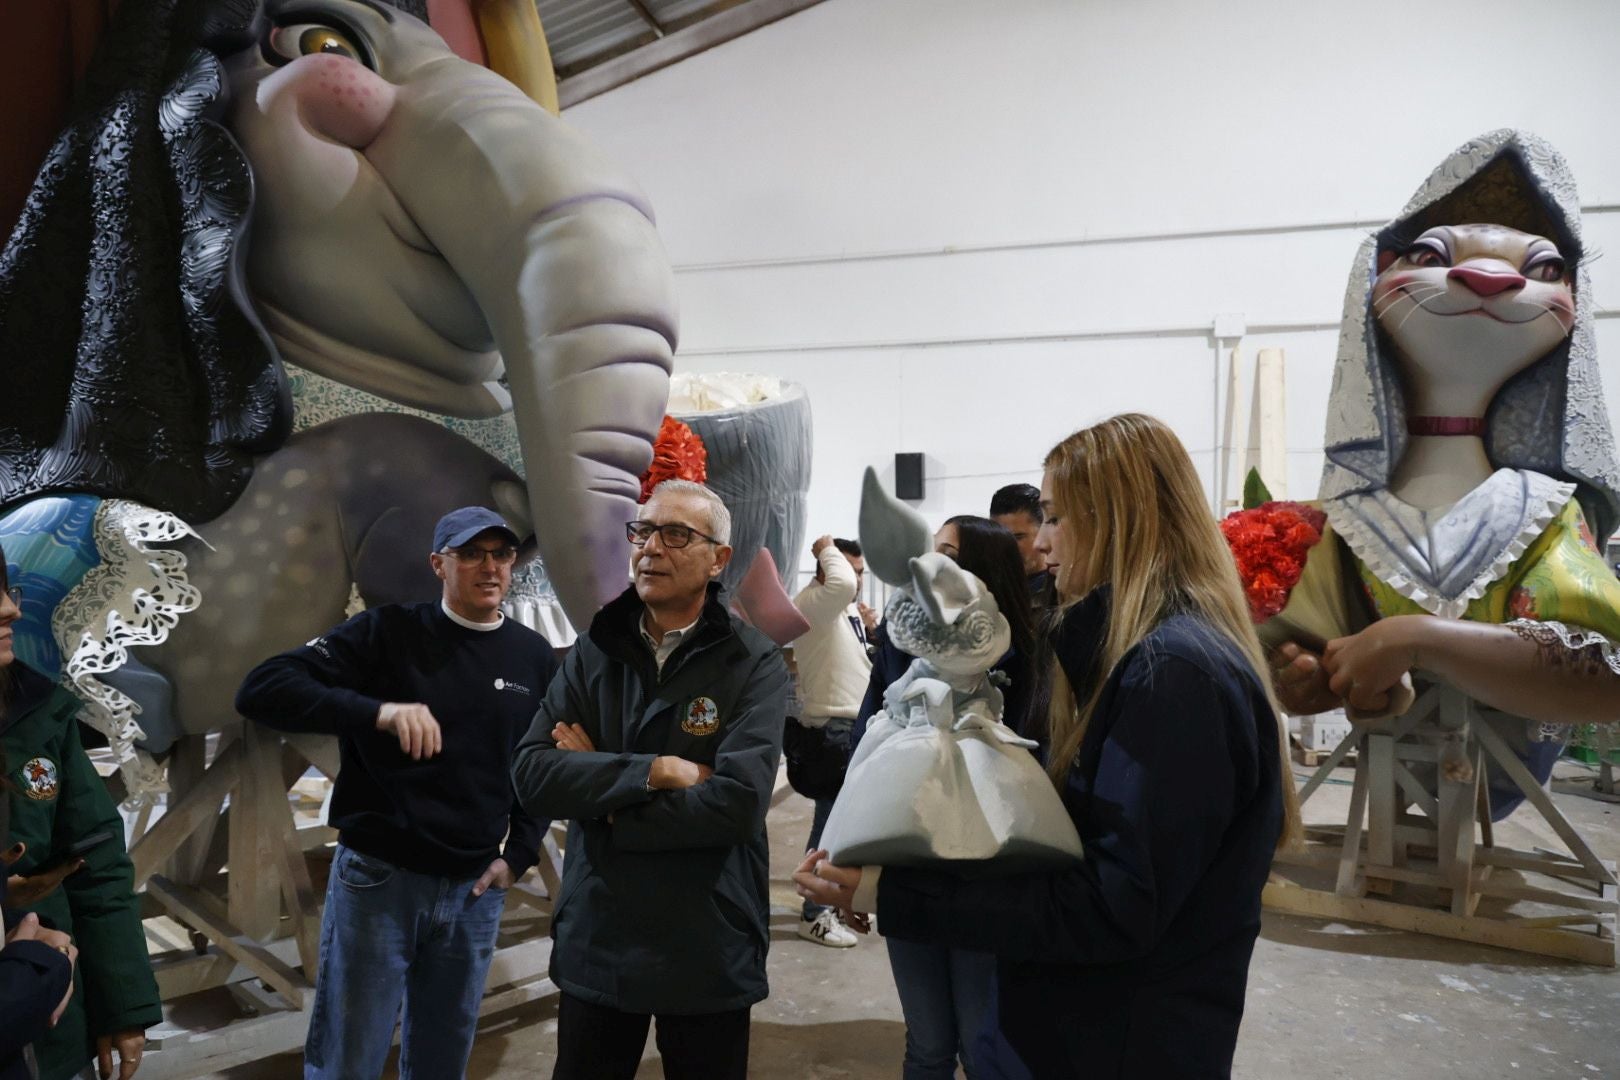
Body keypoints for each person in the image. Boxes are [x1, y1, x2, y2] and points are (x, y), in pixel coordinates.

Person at [798, 414, 1302, 1078]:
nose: (1042, 545)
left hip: (1115, 1042)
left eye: (1058, 519)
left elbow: (1112, 907)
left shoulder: (1172, 675)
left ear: (1119, 521)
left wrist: (894, 896)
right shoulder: (1138, 658)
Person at [235, 506, 557, 1080]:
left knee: (442, 1054)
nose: (490, 567)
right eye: (471, 553)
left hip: (474, 890)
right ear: (439, 563)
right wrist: (375, 712)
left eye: (500, 554)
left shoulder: (531, 655)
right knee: (349, 1055)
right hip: (381, 880)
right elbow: (264, 687)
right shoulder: (387, 633)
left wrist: (520, 853)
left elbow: (537, 763)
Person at [511, 479, 789, 1080]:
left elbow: (737, 805)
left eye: (676, 534)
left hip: (707, 935)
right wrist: (655, 771)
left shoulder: (753, 662)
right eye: (641, 531)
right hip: (600, 933)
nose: (649, 547)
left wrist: (600, 794)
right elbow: (532, 775)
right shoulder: (595, 650)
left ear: (719, 559)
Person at [851, 514, 1036, 1079]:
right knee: (928, 1042)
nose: (932, 568)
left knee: (984, 1044)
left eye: (949, 555)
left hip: (990, 875)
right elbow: (866, 736)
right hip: (911, 864)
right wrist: (851, 857)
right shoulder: (902, 645)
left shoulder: (1025, 655)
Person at [0, 548, 158, 1080]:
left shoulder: (39, 712)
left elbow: (97, 861)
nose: (10, 611)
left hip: (55, 1032)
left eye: (7, 590)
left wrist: (122, 1005)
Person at [790, 535, 873, 948]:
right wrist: (823, 545)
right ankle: (814, 914)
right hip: (832, 731)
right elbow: (842, 586)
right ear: (827, 569)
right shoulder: (814, 603)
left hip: (849, 728)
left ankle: (827, 903)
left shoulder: (837, 609)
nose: (856, 583)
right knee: (828, 828)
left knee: (838, 826)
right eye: (851, 571)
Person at [989, 484, 1054, 614]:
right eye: (998, 537)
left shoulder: (1061, 593)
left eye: (1018, 537)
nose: (1006, 546)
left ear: (1043, 531)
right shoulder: (986, 590)